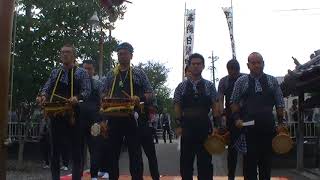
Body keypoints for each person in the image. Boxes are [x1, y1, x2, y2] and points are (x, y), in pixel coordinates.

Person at [38, 43, 91, 180]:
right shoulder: (55, 72)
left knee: (76, 152)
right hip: (57, 115)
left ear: (74, 56)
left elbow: (87, 91)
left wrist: (77, 97)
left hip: (74, 115)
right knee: (55, 151)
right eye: (62, 52)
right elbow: (46, 87)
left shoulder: (81, 72)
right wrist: (43, 95)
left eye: (68, 52)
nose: (65, 54)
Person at [101, 42, 153, 180]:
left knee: (135, 154)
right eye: (119, 54)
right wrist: (105, 99)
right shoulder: (111, 74)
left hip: (133, 117)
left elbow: (150, 93)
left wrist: (139, 98)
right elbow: (102, 92)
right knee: (112, 154)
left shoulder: (138, 73)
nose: (121, 56)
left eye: (124, 53)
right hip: (114, 117)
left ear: (131, 55)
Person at [230, 52, 285, 180]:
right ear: (248, 65)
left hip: (268, 128)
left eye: (259, 62)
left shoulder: (272, 80)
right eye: (253, 63)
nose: (256, 65)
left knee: (266, 165)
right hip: (248, 130)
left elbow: (280, 103)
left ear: (263, 64)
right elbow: (234, 102)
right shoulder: (241, 81)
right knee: (249, 167)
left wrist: (281, 123)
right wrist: (237, 118)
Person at [174, 53, 219, 180]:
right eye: (193, 64)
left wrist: (216, 125)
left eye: (198, 64)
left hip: (204, 126)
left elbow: (215, 105)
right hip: (187, 127)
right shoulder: (181, 86)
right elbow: (177, 106)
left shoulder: (209, 85)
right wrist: (178, 124)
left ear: (203, 66)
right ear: (189, 66)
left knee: (205, 163)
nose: (196, 66)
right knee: (186, 164)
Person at [217, 59, 246, 180]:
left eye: (236, 70)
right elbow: (220, 99)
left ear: (239, 69)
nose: (233, 72)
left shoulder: (245, 78)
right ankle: (231, 176)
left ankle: (248, 175)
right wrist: (221, 116)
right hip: (230, 116)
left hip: (246, 115)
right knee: (232, 150)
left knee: (248, 150)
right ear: (227, 70)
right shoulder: (224, 81)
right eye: (231, 70)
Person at [81, 60, 109, 180]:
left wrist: (103, 119)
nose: (86, 71)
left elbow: (103, 102)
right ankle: (84, 172)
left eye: (89, 69)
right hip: (80, 120)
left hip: (95, 120)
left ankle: (96, 174)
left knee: (96, 147)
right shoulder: (78, 84)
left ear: (94, 70)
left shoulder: (98, 84)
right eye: (84, 69)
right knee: (82, 147)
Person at [138, 99, 160, 180]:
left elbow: (154, 109)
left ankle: (156, 177)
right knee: (136, 157)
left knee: (151, 156)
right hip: (133, 126)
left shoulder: (147, 89)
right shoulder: (129, 89)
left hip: (145, 125)